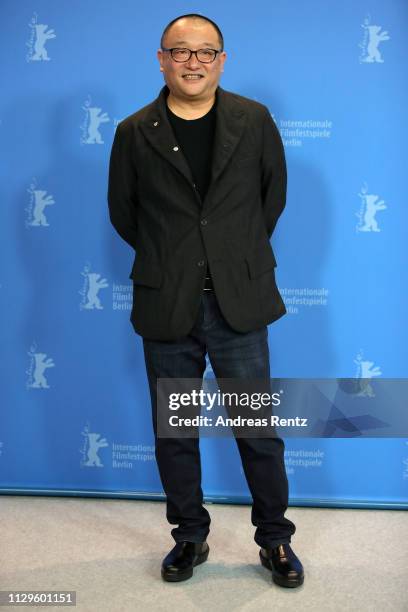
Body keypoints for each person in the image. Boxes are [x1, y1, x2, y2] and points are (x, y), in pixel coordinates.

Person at [107, 13, 304, 588]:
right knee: (176, 432)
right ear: (161, 59)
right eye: (181, 51)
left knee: (257, 431)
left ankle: (275, 541)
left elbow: (271, 199)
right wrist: (178, 260)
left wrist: (228, 255)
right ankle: (189, 536)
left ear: (222, 59)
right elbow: (125, 213)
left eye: (205, 52)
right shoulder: (132, 130)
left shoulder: (254, 119)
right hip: (168, 303)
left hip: (238, 304)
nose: (193, 61)